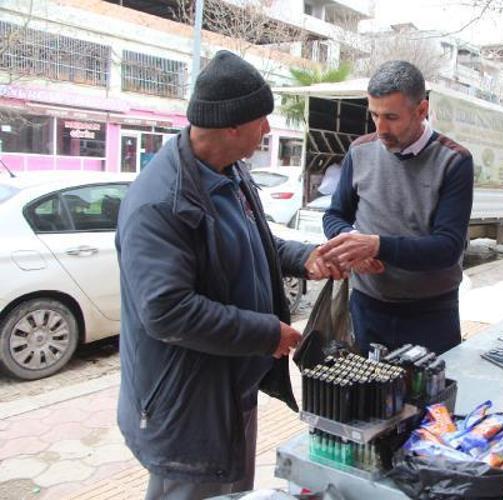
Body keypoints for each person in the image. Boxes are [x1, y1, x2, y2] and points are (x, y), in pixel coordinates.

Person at [115, 51, 342, 499]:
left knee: (232, 491)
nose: (268, 129)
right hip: (187, 402)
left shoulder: (230, 172)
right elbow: (167, 311)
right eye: (262, 120)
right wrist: (265, 333)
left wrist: (307, 257)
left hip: (230, 384)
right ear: (233, 126)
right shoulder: (160, 202)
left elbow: (257, 242)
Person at [320, 60, 474, 356]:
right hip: (366, 308)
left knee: (430, 388)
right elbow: (335, 215)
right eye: (374, 115)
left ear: (421, 110)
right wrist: (353, 246)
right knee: (366, 387)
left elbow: (447, 247)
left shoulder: (454, 161)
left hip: (431, 315)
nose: (380, 129)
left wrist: (376, 246)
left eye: (391, 117)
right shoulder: (359, 151)